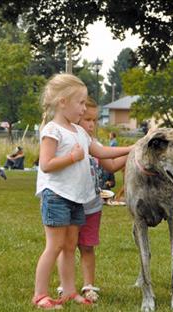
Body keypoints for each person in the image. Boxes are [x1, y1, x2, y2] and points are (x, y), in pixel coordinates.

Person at [33, 73, 132, 309]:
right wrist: (73, 157)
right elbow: (46, 164)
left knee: (69, 246)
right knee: (54, 246)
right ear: (62, 102)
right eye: (80, 103)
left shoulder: (80, 133)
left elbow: (102, 152)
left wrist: (135, 147)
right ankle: (40, 294)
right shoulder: (52, 130)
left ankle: (69, 292)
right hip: (56, 196)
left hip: (75, 199)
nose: (84, 108)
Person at [56, 97, 128, 303]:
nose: (91, 125)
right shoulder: (68, 142)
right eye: (87, 119)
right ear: (75, 117)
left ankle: (88, 286)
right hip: (70, 204)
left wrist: (133, 151)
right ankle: (65, 285)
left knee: (87, 246)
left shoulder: (94, 144)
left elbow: (112, 165)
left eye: (95, 120)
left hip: (92, 206)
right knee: (66, 247)